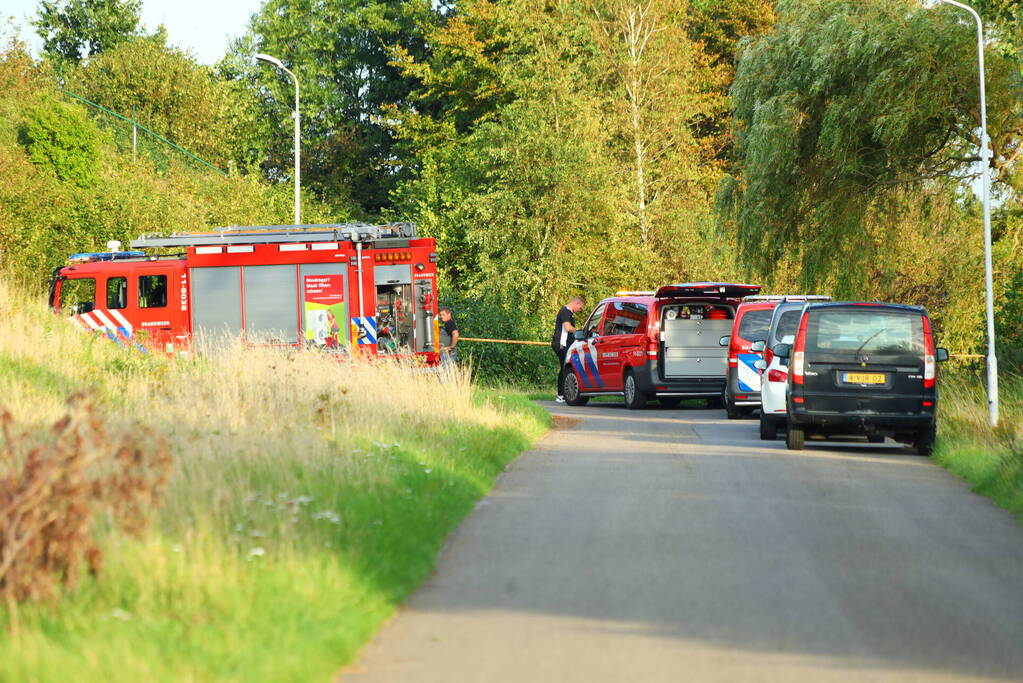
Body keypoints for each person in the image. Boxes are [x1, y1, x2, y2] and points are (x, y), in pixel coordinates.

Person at [551, 295, 586, 402]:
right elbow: (568, 327)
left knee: (564, 368)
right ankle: (561, 395)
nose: (579, 310)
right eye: (580, 308)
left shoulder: (568, 312)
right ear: (577, 303)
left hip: (564, 344)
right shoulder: (566, 311)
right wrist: (581, 332)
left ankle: (562, 394)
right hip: (562, 345)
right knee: (564, 368)